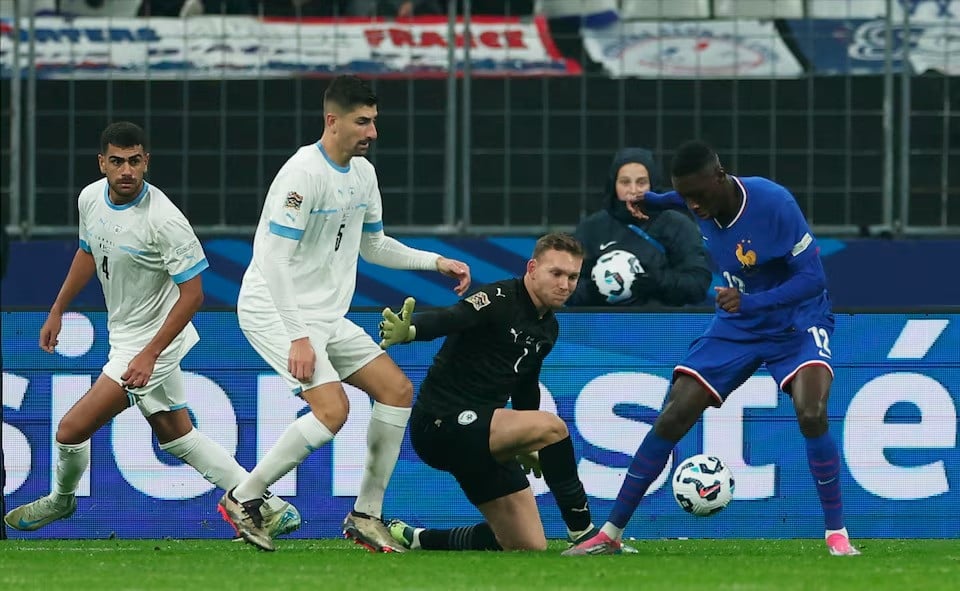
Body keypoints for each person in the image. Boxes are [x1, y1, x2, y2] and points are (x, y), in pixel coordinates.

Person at [3, 122, 301, 539]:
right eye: (118, 161)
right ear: (102, 163)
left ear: (146, 162)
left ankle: (61, 500)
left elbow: (194, 294)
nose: (127, 171)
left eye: (135, 161)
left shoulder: (164, 220)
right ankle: (267, 505)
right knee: (175, 433)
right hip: (127, 336)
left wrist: (150, 354)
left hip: (153, 342)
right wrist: (57, 310)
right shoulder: (90, 198)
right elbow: (89, 252)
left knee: (70, 430)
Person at [564, 140, 861, 557]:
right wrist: (653, 200)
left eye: (700, 196)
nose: (695, 207)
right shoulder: (695, 199)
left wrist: (752, 302)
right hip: (738, 323)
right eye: (687, 198)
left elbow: (814, 280)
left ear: (721, 177)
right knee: (674, 412)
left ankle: (837, 534)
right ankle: (610, 534)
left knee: (811, 412)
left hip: (796, 320)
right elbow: (680, 199)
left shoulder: (774, 204)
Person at [217, 75, 471, 553]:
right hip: (274, 307)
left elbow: (374, 246)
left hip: (325, 315)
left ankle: (365, 515)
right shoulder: (302, 174)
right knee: (333, 410)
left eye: (374, 121)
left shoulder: (363, 175)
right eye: (363, 122)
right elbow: (271, 260)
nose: (372, 132)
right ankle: (244, 498)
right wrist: (296, 336)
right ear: (332, 120)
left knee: (396, 391)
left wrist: (433, 261)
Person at [377, 232, 599, 552]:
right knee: (553, 428)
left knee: (528, 545)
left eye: (573, 277)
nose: (565, 284)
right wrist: (411, 331)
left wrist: (524, 442)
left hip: (481, 435)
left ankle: (418, 539)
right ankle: (585, 534)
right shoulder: (499, 297)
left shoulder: (548, 327)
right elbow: (452, 318)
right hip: (441, 425)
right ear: (532, 268)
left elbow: (525, 385)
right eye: (557, 274)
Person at [568, 147, 710, 307]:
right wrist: (592, 291)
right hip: (601, 327)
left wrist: (658, 281)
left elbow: (698, 284)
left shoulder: (678, 226)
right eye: (625, 182)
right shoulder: (591, 229)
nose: (633, 190)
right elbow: (566, 285)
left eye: (641, 182)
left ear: (652, 184)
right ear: (614, 184)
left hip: (661, 327)